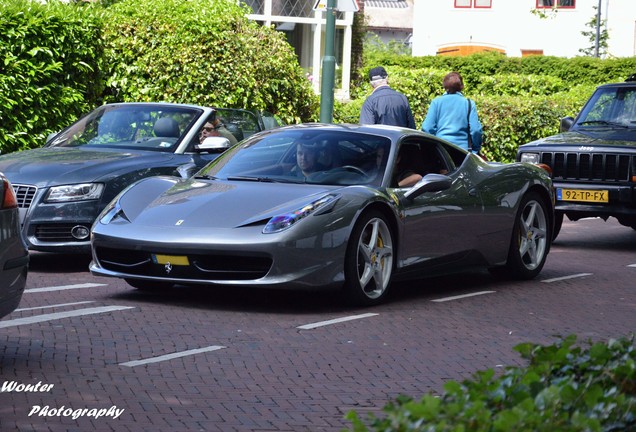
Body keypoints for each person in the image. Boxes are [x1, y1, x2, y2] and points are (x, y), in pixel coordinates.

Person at [421, 72, 482, 153]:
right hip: (463, 152)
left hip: (441, 150)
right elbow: (475, 130)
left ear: (445, 87)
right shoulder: (469, 103)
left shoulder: (436, 102)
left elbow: (427, 128)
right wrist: (476, 149)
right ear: (462, 86)